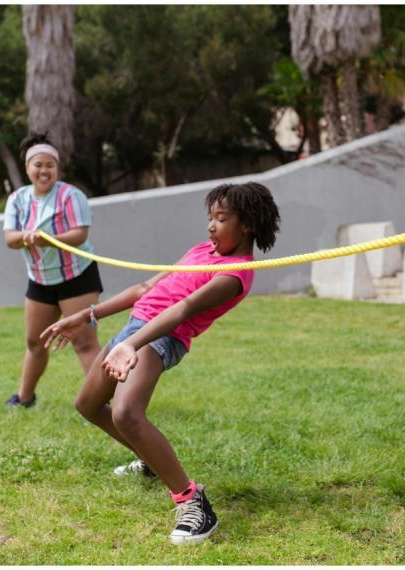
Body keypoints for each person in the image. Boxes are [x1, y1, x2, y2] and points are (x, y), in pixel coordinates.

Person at [40, 182, 281, 545]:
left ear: (246, 224)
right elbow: (143, 290)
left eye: (221, 218)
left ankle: (193, 502)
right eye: (210, 218)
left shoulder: (236, 273)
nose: (210, 226)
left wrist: (133, 345)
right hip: (135, 330)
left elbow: (181, 309)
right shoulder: (201, 250)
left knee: (126, 414)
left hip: (162, 337)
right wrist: (86, 315)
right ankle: (153, 461)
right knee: (88, 404)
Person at [2, 132, 103, 408]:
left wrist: (50, 239)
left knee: (83, 343)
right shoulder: (17, 199)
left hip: (76, 277)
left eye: (50, 165)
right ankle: (24, 398)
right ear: (27, 169)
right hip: (41, 280)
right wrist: (28, 236)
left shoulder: (71, 196)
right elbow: (10, 239)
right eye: (38, 165)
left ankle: (104, 402)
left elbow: (80, 234)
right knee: (35, 342)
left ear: (57, 168)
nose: (44, 170)